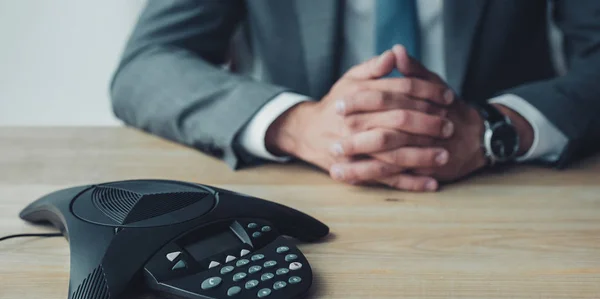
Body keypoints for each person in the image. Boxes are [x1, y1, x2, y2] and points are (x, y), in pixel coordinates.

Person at [111, 0, 600, 192]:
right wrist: (297, 124)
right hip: (304, 194)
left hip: (516, 189)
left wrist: (497, 129)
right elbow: (147, 64)